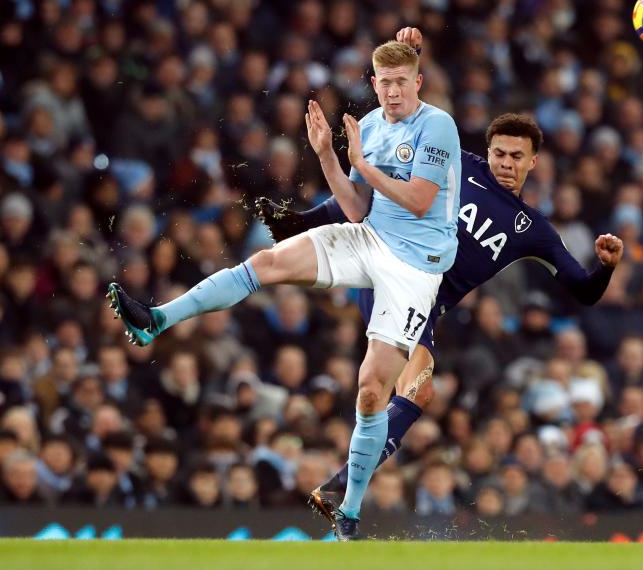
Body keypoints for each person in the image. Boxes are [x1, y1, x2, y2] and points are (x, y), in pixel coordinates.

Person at [264, 28, 623, 528]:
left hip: (424, 305)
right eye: (499, 152)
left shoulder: (534, 231)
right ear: (488, 151)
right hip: (394, 273)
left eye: (517, 157)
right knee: (410, 389)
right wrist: (413, 52)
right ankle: (344, 485)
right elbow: (406, 130)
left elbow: (582, 292)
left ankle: (342, 487)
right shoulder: (459, 163)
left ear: (534, 162)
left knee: (406, 393)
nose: (506, 163)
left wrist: (604, 268)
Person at [107, 36, 461, 540]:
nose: (392, 92)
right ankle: (156, 319)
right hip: (371, 237)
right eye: (384, 83)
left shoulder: (437, 125)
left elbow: (422, 201)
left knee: (370, 390)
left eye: (402, 82)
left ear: (418, 83)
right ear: (374, 83)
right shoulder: (374, 128)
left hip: (415, 267)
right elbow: (358, 210)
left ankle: (350, 512)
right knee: (268, 261)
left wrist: (360, 164)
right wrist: (328, 159)